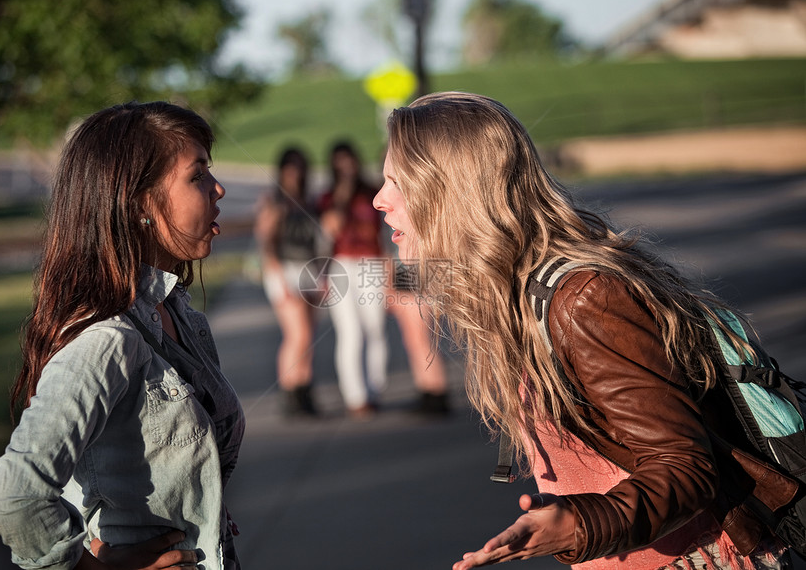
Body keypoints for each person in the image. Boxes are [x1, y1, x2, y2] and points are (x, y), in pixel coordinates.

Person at [373, 92, 795, 569]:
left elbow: (684, 468)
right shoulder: (519, 290)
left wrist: (575, 524)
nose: (378, 199)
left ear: (450, 191)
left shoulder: (583, 299)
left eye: (396, 182)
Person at [0, 101, 244, 570]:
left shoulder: (180, 316)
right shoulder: (107, 341)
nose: (218, 187)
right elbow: (16, 497)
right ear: (140, 201)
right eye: (197, 175)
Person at [319, 140, 388, 419]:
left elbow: (382, 233)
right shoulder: (328, 196)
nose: (347, 166)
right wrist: (343, 191)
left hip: (372, 262)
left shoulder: (372, 192)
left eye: (350, 160)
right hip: (342, 265)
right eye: (340, 161)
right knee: (350, 332)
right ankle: (356, 396)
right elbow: (331, 227)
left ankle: (374, 390)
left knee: (375, 329)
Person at [254, 146, 321, 417]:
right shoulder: (273, 201)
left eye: (300, 165)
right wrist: (278, 280)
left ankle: (304, 389)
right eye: (290, 166)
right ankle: (291, 392)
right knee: (297, 335)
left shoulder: (309, 201)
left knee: (309, 337)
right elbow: (267, 244)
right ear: (281, 170)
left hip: (310, 270)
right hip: (284, 271)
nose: (295, 172)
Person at [387, 260, 451, 416]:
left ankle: (436, 392)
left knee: (422, 340)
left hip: (418, 275)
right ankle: (428, 390)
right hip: (413, 275)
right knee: (415, 341)